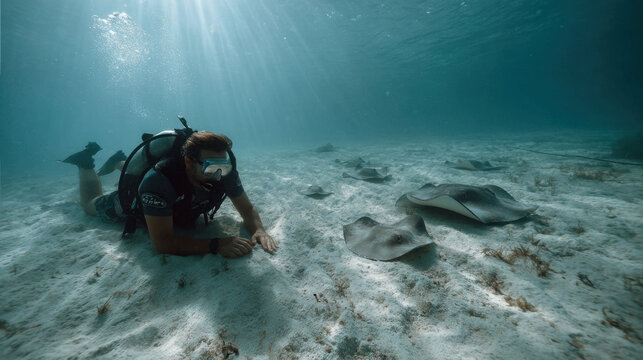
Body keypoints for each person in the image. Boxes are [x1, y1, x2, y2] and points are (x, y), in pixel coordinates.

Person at [61, 131, 277, 258]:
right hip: (138, 199)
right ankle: (84, 163)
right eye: (211, 168)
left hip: (175, 199)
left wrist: (259, 229)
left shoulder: (223, 171)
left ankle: (119, 161)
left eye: (224, 167)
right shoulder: (158, 182)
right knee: (91, 205)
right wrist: (216, 244)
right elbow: (163, 242)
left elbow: (247, 209)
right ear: (188, 162)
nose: (219, 176)